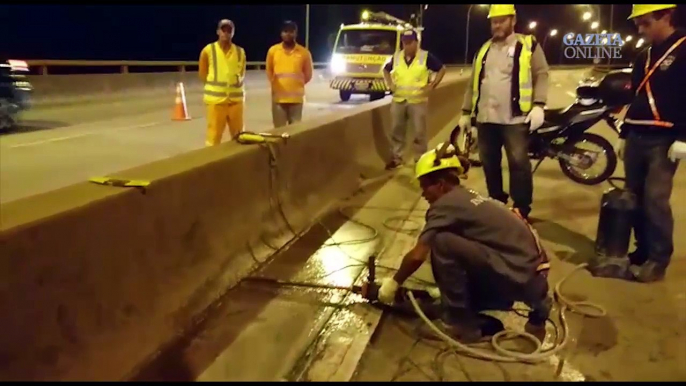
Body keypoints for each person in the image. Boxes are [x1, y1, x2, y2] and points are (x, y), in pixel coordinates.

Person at [377, 143, 552, 343]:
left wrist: (392, 283)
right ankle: (490, 301)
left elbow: (418, 255)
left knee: (443, 242)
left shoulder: (444, 205)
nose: (423, 193)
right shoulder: (467, 196)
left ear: (441, 184)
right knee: (455, 242)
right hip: (532, 275)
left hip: (520, 278)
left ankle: (460, 325)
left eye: (425, 186)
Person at [597, 4, 685, 283]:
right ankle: (642, 249)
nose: (640, 29)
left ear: (666, 16)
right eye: (638, 24)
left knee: (655, 200)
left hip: (664, 139)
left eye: (645, 23)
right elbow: (636, 97)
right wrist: (624, 134)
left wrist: (683, 137)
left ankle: (658, 259)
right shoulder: (643, 56)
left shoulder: (683, 50)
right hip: (636, 134)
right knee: (632, 197)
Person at [457, 4, 549, 221]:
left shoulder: (528, 44)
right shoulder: (484, 49)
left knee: (518, 164)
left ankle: (521, 208)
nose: (497, 25)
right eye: (493, 21)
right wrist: (465, 112)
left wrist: (539, 104)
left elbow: (541, 73)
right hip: (486, 119)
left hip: (514, 119)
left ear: (513, 20)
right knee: (489, 163)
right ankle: (497, 201)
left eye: (501, 20)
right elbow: (473, 84)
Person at [383, 29, 446, 170]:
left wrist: (433, 85)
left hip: (418, 101)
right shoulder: (397, 57)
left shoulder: (425, 57)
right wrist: (390, 84)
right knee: (396, 130)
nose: (407, 46)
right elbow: (386, 70)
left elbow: (442, 69)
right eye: (404, 43)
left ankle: (420, 160)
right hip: (399, 100)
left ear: (416, 43)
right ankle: (397, 158)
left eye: (410, 43)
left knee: (419, 132)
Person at [199, 19, 247, 146]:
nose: (226, 33)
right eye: (223, 30)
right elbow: (202, 73)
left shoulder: (240, 52)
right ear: (218, 32)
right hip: (216, 102)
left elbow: (242, 73)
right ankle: (211, 163)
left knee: (239, 137)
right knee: (213, 138)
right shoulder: (208, 50)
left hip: (235, 102)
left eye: (229, 31)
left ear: (233, 33)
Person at [266, 21, 314, 128]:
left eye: (291, 31)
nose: (288, 34)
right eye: (285, 31)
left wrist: (296, 84)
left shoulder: (304, 53)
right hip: (278, 100)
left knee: (295, 133)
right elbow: (269, 71)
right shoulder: (273, 51)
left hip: (296, 101)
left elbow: (308, 74)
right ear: (281, 34)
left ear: (296, 33)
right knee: (279, 132)